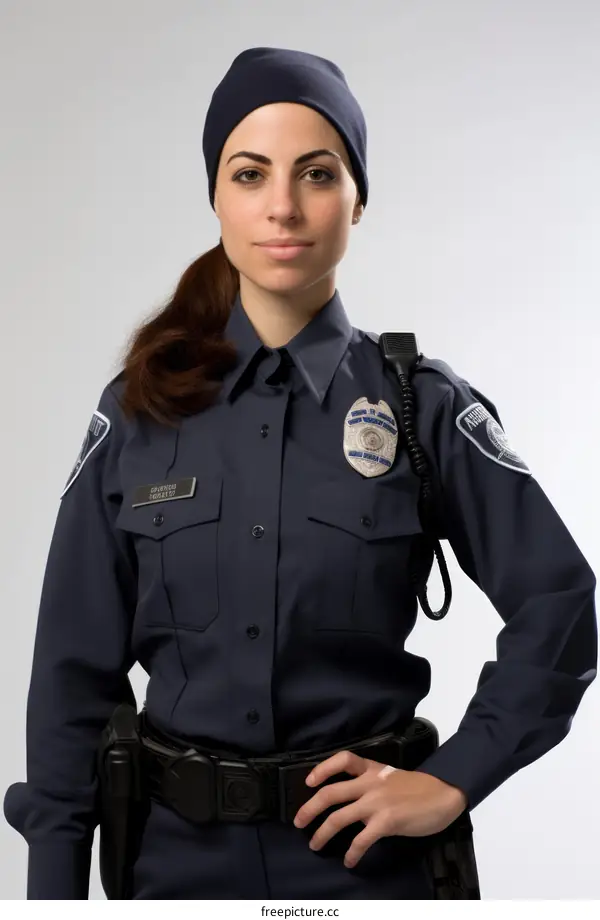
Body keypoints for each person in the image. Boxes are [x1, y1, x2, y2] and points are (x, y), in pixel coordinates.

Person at [3, 46, 597, 901]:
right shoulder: (140, 411)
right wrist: (52, 898)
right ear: (216, 196)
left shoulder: (420, 408)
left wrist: (455, 777)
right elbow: (71, 678)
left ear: (359, 197)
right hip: (175, 873)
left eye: (317, 174)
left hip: (370, 873)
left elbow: (560, 604)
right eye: (250, 175)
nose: (282, 207)